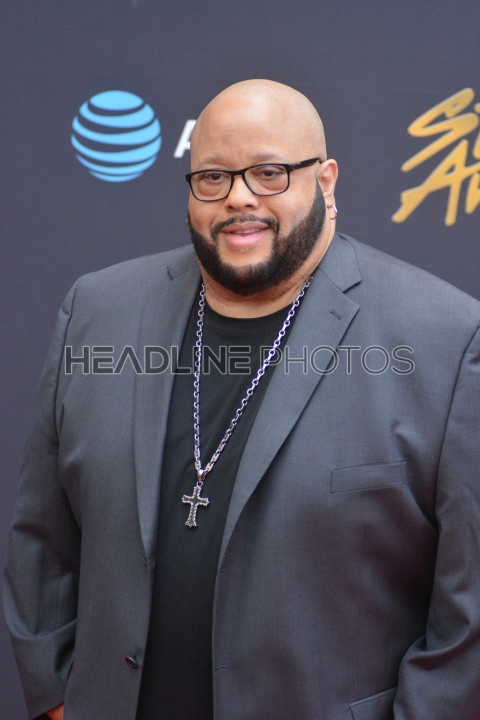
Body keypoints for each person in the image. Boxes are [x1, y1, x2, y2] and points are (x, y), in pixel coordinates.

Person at [3, 79, 480, 720]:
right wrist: (58, 697)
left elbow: (468, 608)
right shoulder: (97, 310)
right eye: (214, 177)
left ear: (326, 181)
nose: (239, 197)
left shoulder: (444, 337)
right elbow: (43, 537)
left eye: (270, 172)